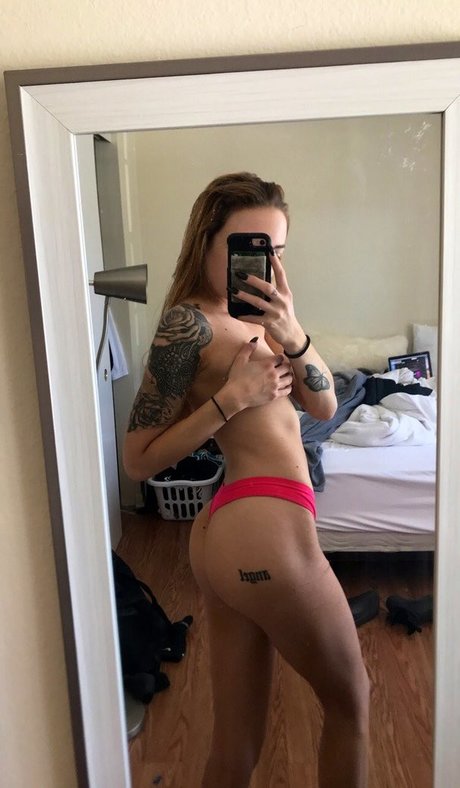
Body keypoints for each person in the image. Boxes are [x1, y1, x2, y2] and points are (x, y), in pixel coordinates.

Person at [123, 172, 369, 788]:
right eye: (245, 246)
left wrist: (294, 332)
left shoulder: (268, 319)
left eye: (274, 250)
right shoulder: (189, 324)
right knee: (353, 705)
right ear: (206, 241)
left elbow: (324, 406)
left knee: (237, 743)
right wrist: (230, 401)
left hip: (234, 531)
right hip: (263, 528)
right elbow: (138, 460)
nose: (262, 265)